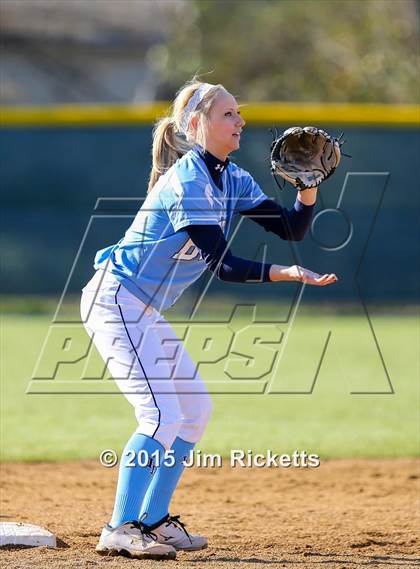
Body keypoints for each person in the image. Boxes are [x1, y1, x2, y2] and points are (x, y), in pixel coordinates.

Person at [80, 78, 338, 560]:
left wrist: (307, 188)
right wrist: (286, 273)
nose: (240, 121)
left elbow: (290, 227)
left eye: (238, 113)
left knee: (194, 411)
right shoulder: (189, 182)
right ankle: (118, 527)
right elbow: (228, 266)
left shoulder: (232, 178)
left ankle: (154, 519)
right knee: (159, 415)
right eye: (228, 114)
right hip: (115, 300)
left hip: (143, 308)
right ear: (197, 125)